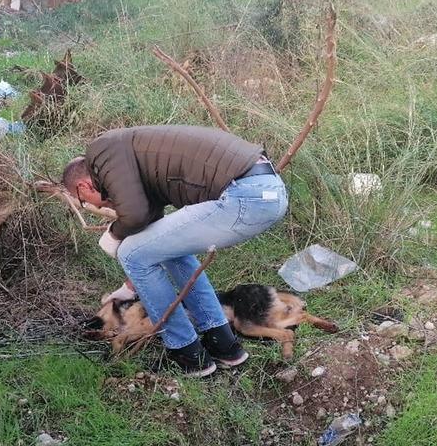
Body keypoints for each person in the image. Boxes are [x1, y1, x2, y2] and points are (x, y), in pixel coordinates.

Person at [62, 125, 288, 377]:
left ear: (83, 187)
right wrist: (129, 286)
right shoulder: (129, 158)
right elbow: (154, 234)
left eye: (82, 202)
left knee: (129, 253)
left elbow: (135, 216)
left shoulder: (102, 150)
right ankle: (223, 344)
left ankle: (186, 351)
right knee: (160, 251)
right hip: (266, 190)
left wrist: (113, 235)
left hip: (244, 195)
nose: (87, 205)